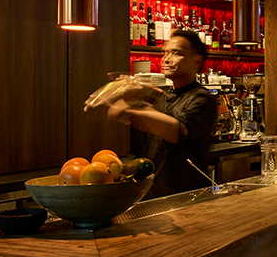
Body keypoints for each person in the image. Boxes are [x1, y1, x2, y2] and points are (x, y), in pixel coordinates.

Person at [90, 29, 217, 198]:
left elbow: (176, 131)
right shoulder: (163, 96)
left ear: (197, 61)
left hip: (187, 195)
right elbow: (139, 121)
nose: (166, 59)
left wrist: (131, 109)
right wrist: (128, 98)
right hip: (154, 193)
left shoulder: (202, 99)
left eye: (176, 53)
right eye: (165, 53)